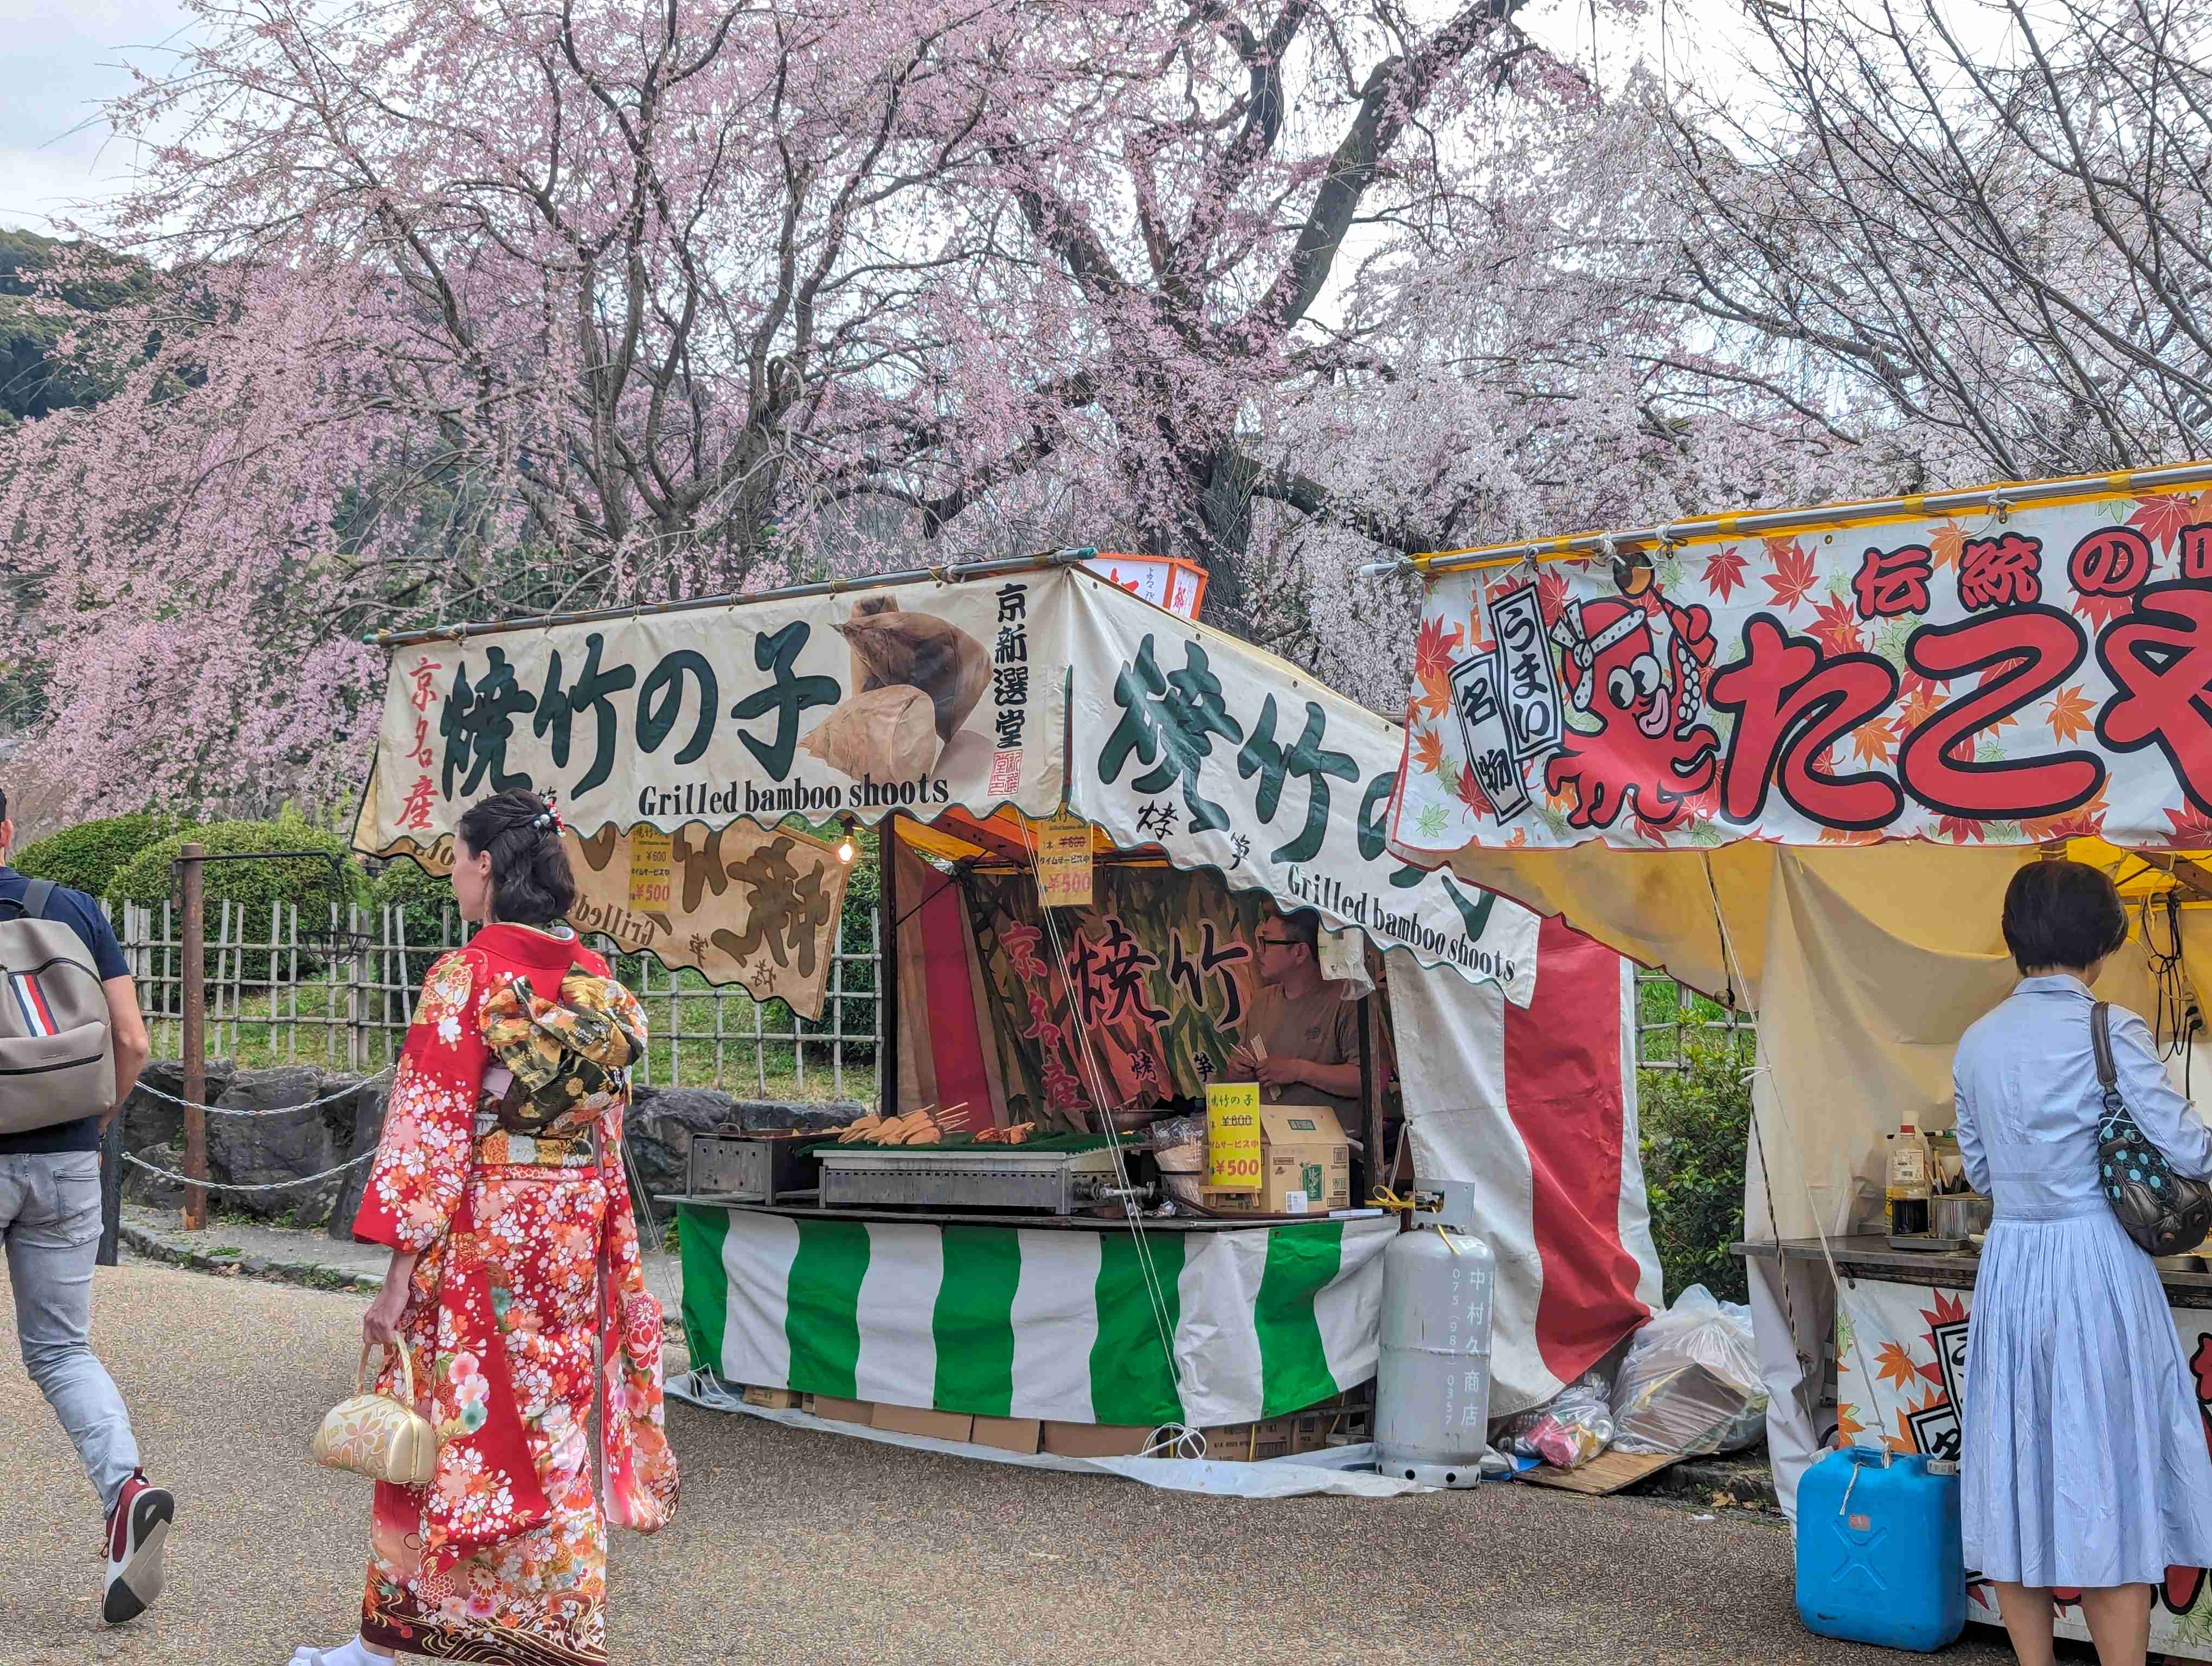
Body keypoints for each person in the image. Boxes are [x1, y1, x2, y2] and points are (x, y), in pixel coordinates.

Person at [294, 789, 677, 1666]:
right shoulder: (600, 987)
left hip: (480, 1242)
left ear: (490, 869)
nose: (456, 874)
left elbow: (428, 1132)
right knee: (550, 1436)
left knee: (438, 1428)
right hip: (569, 1244)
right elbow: (608, 1131)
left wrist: (396, 1279)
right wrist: (612, 1248)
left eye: (460, 859)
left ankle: (386, 1646)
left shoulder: (465, 976)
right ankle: (562, 1632)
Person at [1953, 858, 2212, 1666]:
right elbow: (2190, 1148)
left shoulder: (1977, 1042)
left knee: (2017, 1472)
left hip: (2013, 1263)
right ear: (2104, 938)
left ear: (2014, 937)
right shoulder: (2112, 1029)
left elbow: (1982, 1171)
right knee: (2112, 1475)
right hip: (2096, 1266)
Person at [0, 787, 169, 1625]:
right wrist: (97, 1118)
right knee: (63, 1351)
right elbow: (133, 1040)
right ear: (6, 829)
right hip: (67, 1156)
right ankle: (125, 1488)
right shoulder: (71, 909)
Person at [1225, 906, 1365, 1136]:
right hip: (1267, 1146)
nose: (1258, 951)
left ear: (1300, 952)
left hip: (1332, 1153)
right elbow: (1235, 1080)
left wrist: (1300, 1070)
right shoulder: (1262, 1002)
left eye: (1266, 942)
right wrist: (1236, 1072)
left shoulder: (1348, 999)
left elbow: (1368, 1081)